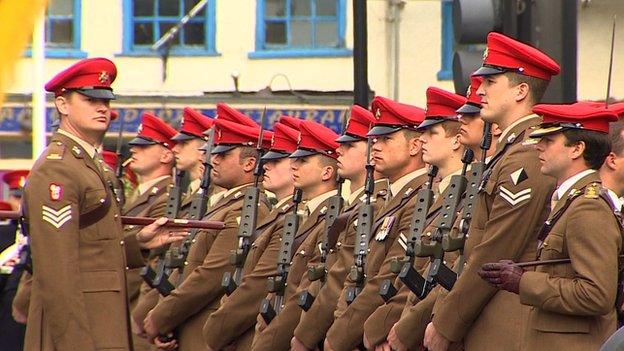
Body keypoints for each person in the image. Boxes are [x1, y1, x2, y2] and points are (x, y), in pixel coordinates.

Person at [23, 57, 187, 350]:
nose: (102, 108)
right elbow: (56, 268)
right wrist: (75, 343)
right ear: (62, 104)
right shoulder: (57, 169)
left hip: (100, 320)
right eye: (89, 99)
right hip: (79, 328)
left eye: (106, 102)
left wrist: (138, 243)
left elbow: (91, 246)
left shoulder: (87, 163)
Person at [423, 32, 560, 351]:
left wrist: (446, 323)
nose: (479, 90)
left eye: (491, 81)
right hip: (488, 317)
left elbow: (495, 251)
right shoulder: (510, 152)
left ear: (521, 90)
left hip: (504, 323)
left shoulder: (527, 155)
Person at [479, 102, 621, 350]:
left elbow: (597, 294)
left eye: (549, 140)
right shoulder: (570, 201)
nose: (538, 146)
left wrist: (523, 281)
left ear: (577, 148)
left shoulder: (588, 207)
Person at [143, 114, 272, 351]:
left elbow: (210, 276)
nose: (214, 160)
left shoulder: (246, 208)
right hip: (187, 325)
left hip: (205, 331)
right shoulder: (224, 205)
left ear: (249, 164)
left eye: (223, 155)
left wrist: (160, 317)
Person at [362, 87, 468, 349]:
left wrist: (392, 329)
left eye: (432, 133)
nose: (423, 140)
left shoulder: (462, 194)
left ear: (456, 141)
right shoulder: (436, 194)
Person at [324, 96, 430, 351]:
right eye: (374, 140)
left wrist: (342, 337)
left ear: (415, 145)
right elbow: (355, 274)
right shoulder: (392, 200)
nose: (376, 147)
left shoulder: (417, 200)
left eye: (386, 139)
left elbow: (390, 278)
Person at [291, 105, 390, 351]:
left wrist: (312, 336)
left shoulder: (374, 207)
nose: (339, 151)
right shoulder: (352, 207)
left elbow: (341, 279)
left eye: (349, 146)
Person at [202, 120, 300, 350]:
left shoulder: (282, 216)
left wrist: (216, 329)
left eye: (276, 161)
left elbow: (258, 285)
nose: (266, 166)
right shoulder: (275, 214)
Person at [251, 119, 341, 350]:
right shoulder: (306, 215)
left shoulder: (331, 218)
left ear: (327, 172)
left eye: (302, 160)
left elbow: (307, 291)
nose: (293, 166)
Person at [123, 112, 177, 351]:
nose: (134, 150)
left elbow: (153, 262)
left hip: (135, 310)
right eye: (134, 145)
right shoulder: (137, 196)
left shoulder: (166, 199)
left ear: (166, 154)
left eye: (144, 146)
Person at [0, 170, 29, 351]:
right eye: (17, 197)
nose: (21, 204)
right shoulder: (2, 234)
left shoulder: (44, 233)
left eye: (25, 198)